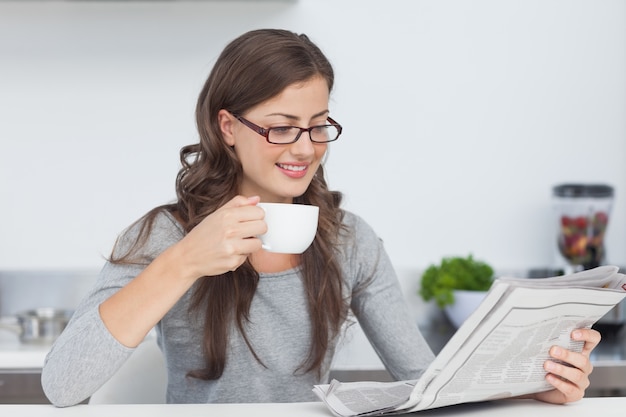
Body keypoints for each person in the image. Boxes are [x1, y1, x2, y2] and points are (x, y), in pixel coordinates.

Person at [41, 28, 600, 407]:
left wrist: (530, 394)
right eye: (281, 126)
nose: (304, 148)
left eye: (318, 125)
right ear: (228, 127)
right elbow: (63, 387)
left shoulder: (349, 240)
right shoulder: (166, 235)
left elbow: (424, 383)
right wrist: (185, 260)